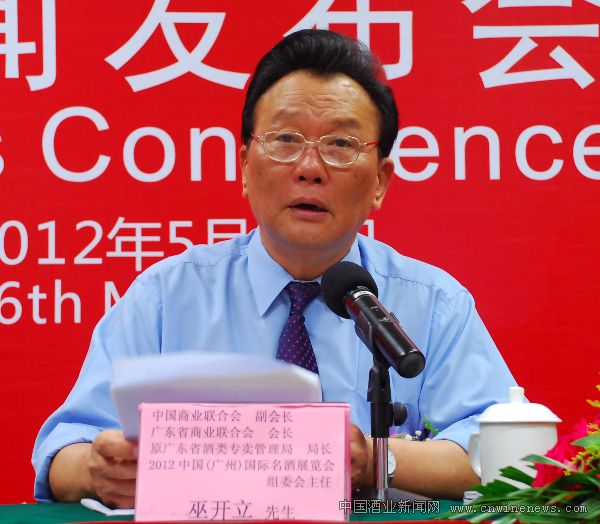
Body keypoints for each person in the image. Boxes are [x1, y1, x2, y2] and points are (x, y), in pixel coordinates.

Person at [33, 29, 516, 508]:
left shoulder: (432, 303)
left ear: (380, 183)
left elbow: (503, 457)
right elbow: (63, 452)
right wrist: (99, 470)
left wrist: (374, 460)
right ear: (245, 166)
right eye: (285, 139)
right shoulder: (166, 297)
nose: (310, 168)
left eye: (341, 145)